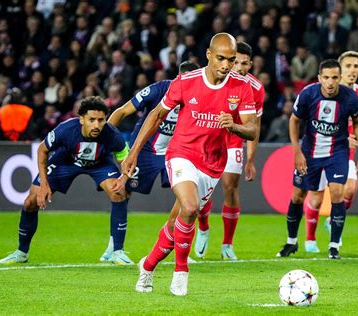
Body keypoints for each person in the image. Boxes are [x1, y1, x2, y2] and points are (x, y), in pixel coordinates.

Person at [124, 33, 257, 296]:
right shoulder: (186, 81)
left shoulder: (241, 87)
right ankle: (181, 272)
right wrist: (134, 152)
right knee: (191, 206)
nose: (226, 65)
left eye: (231, 60)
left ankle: (148, 265)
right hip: (182, 153)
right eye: (221, 58)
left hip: (213, 163)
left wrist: (235, 126)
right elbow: (156, 114)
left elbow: (253, 130)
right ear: (208, 55)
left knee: (178, 222)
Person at [0, 96, 132, 265]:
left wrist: (124, 178)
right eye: (92, 120)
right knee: (30, 202)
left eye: (101, 120)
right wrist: (44, 184)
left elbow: (125, 159)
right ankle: (21, 252)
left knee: (118, 191)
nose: (97, 125)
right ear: (81, 119)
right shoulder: (66, 130)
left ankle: (117, 251)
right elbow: (42, 150)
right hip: (65, 162)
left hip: (100, 163)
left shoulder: (112, 134)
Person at [98, 61, 200, 262]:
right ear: (178, 78)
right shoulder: (159, 89)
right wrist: (104, 142)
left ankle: (179, 246)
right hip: (145, 150)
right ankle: (113, 246)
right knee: (122, 191)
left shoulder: (201, 97)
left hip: (177, 151)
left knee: (186, 198)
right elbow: (122, 111)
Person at [276, 59, 358, 260]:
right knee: (298, 196)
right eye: (326, 77)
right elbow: (294, 121)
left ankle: (334, 246)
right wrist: (296, 151)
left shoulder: (350, 98)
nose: (330, 82)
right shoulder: (308, 94)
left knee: (337, 193)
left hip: (337, 152)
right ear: (319, 78)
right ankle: (292, 241)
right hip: (310, 152)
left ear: (339, 78)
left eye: (335, 77)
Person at [193, 41, 264, 260]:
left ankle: (227, 244)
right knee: (202, 190)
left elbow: (254, 126)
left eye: (244, 64)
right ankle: (203, 227)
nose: (239, 68)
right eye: (236, 62)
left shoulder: (256, 88)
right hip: (209, 137)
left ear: (250, 65)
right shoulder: (213, 78)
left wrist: (250, 159)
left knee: (230, 187)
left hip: (234, 139)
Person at [303, 51, 358, 253]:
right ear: (339, 71)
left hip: (343, 151)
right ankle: (310, 239)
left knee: (350, 189)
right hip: (320, 147)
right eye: (348, 66)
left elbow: (357, 122)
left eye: (356, 66)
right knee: (316, 197)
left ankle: (332, 220)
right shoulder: (322, 91)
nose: (352, 70)